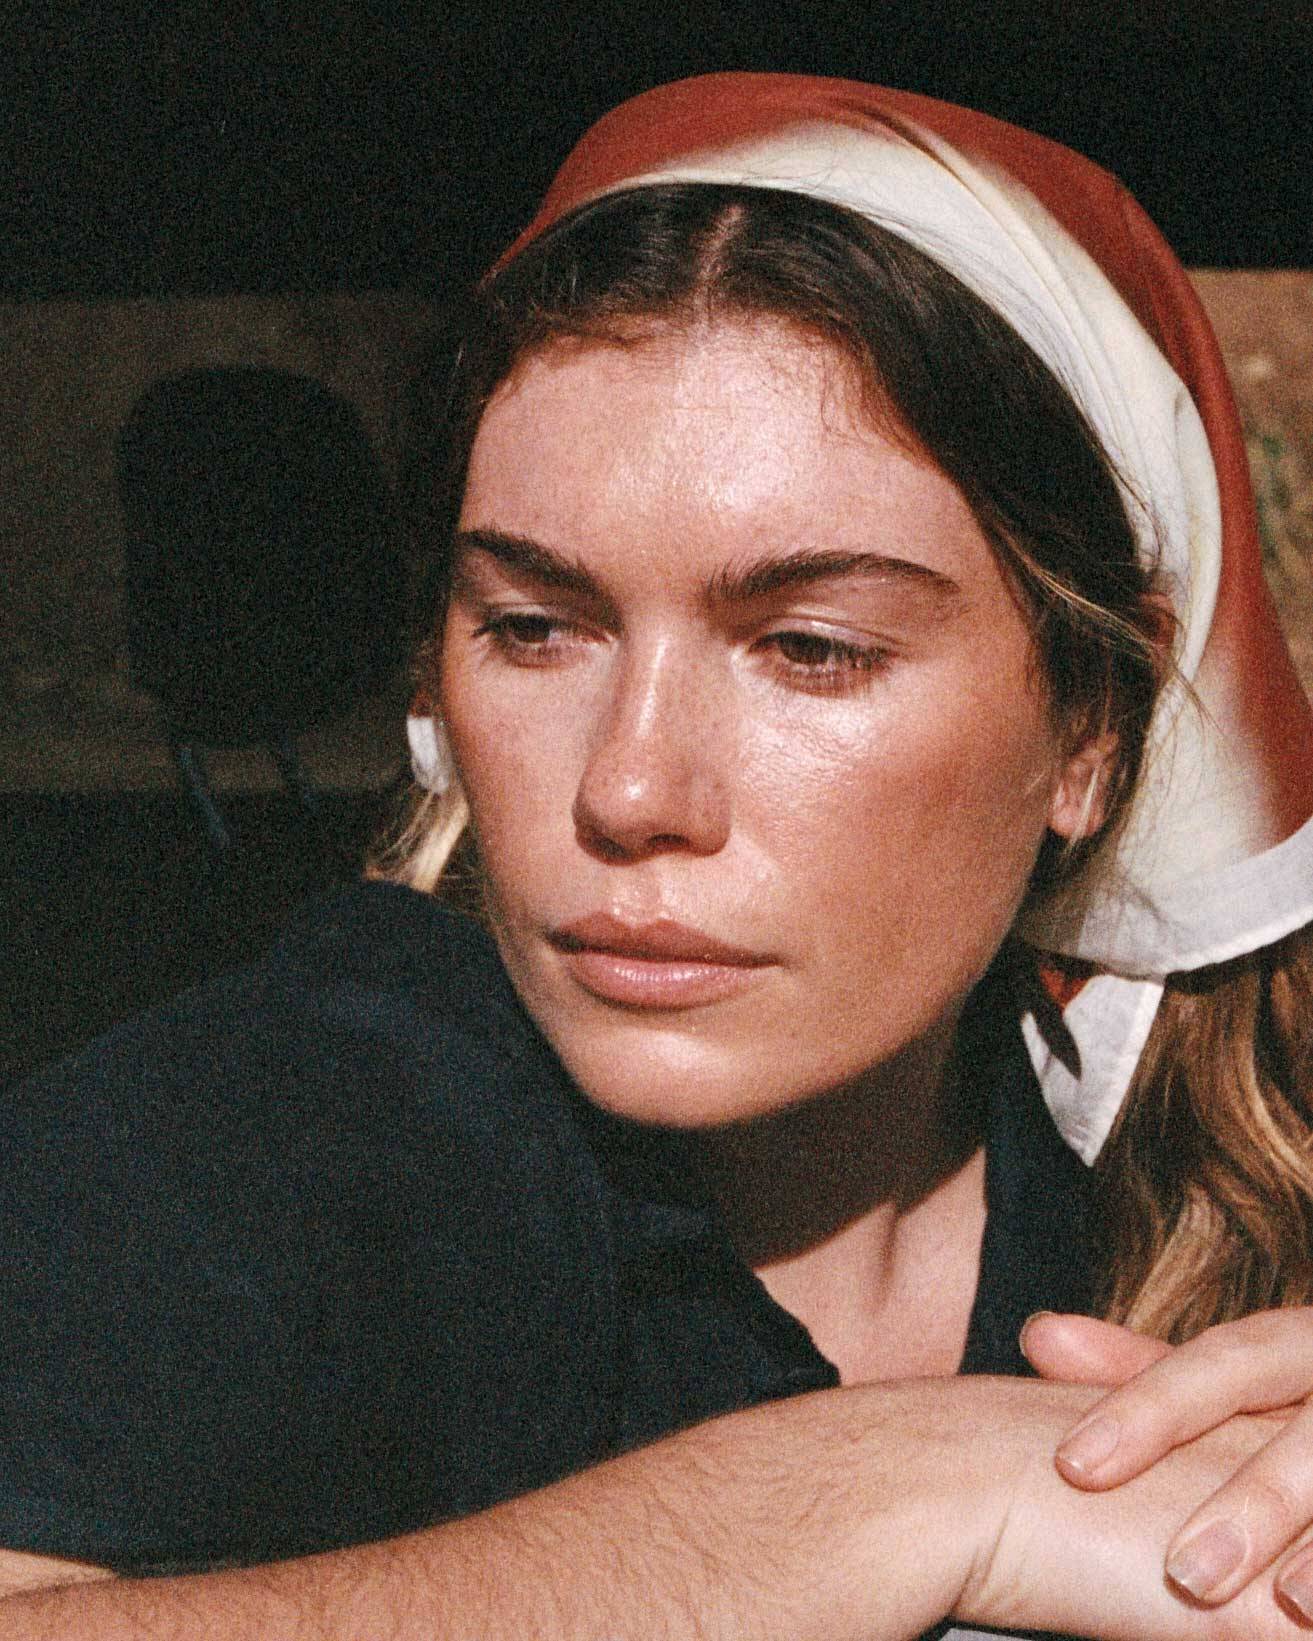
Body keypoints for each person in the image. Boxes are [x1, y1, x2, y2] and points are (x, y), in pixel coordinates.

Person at [4, 71, 1313, 1640]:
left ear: (1089, 728)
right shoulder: (283, 1131)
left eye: (810, 648)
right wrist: (898, 1488)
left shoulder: (1188, 1181)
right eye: (535, 626)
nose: (627, 787)